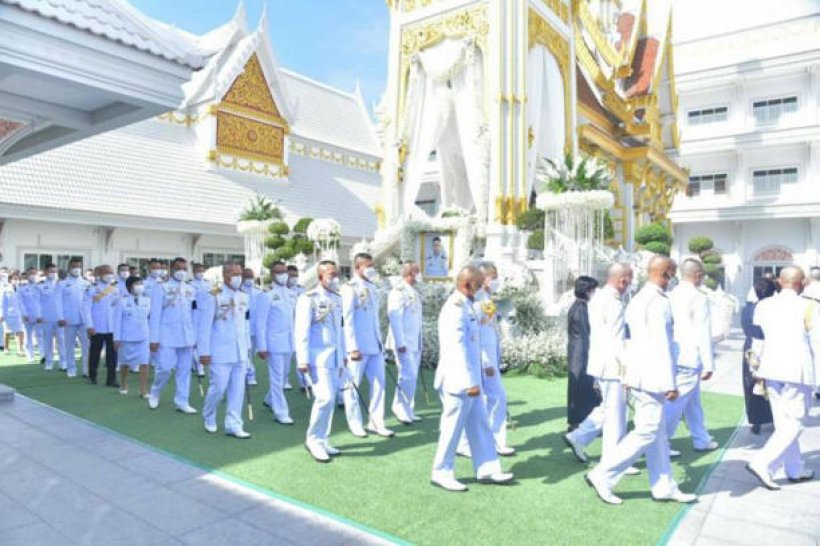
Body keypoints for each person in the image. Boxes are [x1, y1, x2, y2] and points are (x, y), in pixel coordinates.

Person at [586, 256, 697, 505]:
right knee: (647, 432)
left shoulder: (637, 299)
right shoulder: (656, 302)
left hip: (641, 374)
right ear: (665, 273)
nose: (673, 279)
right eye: (672, 274)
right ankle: (603, 474)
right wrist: (670, 383)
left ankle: (663, 485)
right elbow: (660, 345)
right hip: (652, 377)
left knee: (656, 435)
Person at [430, 265, 513, 492]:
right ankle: (441, 471)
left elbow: (475, 343)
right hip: (459, 381)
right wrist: (469, 382)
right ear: (467, 284)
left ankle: (487, 468)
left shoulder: (467, 305)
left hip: (471, 380)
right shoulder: (455, 308)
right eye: (477, 285)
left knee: (480, 425)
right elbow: (456, 348)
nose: (480, 289)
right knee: (452, 428)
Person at [746, 266, 817, 489]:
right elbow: (817, 344)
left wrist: (755, 368)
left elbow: (758, 339)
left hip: (770, 368)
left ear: (780, 281)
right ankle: (762, 462)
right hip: (797, 371)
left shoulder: (764, 305)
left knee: (784, 423)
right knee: (794, 423)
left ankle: (795, 468)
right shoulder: (810, 306)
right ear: (802, 282)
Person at [563, 263, 638, 473]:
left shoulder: (598, 298)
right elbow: (616, 340)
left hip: (601, 362)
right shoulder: (613, 302)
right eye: (629, 281)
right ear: (622, 280)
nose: (629, 285)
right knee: (616, 415)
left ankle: (578, 437)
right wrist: (625, 370)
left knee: (608, 408)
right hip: (613, 364)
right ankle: (614, 460)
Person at [666, 259, 719, 455]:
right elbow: (703, 331)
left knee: (692, 403)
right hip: (690, 356)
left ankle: (701, 438)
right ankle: (658, 441)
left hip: (675, 353)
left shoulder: (671, 294)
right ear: (698, 276)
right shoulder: (698, 297)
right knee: (675, 403)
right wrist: (708, 363)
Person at [295, 260, 346, 462]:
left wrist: (343, 355)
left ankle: (323, 438)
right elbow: (301, 330)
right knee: (324, 398)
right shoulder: (308, 298)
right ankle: (313, 440)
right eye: (331, 274)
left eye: (336, 274)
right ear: (320, 276)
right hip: (317, 357)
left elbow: (339, 330)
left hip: (334, 357)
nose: (335, 278)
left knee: (331, 399)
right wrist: (302, 359)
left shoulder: (337, 298)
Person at [341, 253, 393, 438]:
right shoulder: (350, 288)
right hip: (358, 348)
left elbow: (374, 319)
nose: (372, 269)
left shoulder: (373, 287)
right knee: (352, 385)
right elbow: (347, 320)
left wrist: (381, 343)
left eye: (372, 265)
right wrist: (352, 346)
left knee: (380, 384)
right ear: (357, 268)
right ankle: (355, 423)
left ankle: (376, 422)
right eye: (368, 265)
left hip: (375, 345)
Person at [198, 263, 252, 439]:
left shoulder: (244, 295)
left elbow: (244, 324)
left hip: (240, 350)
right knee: (218, 387)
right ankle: (209, 414)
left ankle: (234, 424)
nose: (238, 277)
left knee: (237, 390)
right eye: (235, 274)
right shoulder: (213, 295)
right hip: (219, 350)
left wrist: (248, 348)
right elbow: (204, 326)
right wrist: (203, 351)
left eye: (240, 274)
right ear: (226, 276)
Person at [473, 262, 514, 455]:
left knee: (489, 399)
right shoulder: (476, 300)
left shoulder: (486, 297)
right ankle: (491, 441)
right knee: (495, 398)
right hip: (483, 360)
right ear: (485, 278)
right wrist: (486, 361)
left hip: (490, 356)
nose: (497, 281)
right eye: (494, 277)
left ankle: (491, 440)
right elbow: (476, 333)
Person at [147, 257, 197, 413]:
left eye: (184, 268)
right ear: (171, 269)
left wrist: (195, 337)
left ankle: (182, 400)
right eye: (178, 268)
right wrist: (153, 339)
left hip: (186, 335)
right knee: (165, 368)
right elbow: (155, 314)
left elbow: (194, 315)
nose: (182, 271)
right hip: (166, 335)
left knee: (185, 370)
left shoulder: (190, 289)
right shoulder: (161, 287)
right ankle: (155, 391)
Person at [256, 261, 297, 425]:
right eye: (279, 272)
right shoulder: (267, 295)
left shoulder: (292, 294)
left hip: (289, 341)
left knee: (284, 374)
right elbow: (260, 323)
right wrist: (262, 346)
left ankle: (269, 398)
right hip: (274, 342)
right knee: (277, 377)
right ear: (272, 275)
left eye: (285, 271)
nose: (283, 275)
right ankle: (280, 412)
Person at [387, 261, 424, 425]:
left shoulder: (412, 291)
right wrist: (400, 342)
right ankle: (400, 408)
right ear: (410, 273)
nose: (419, 275)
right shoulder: (398, 291)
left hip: (414, 341)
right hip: (403, 343)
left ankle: (408, 408)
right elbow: (395, 318)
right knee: (407, 375)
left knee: (412, 376)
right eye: (417, 272)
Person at [740, 278, 775, 434]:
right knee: (773, 386)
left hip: (751, 351)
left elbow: (746, 328)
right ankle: (772, 417)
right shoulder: (775, 309)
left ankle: (755, 420)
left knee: (751, 384)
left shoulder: (748, 309)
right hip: (770, 349)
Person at [566, 276, 600, 431]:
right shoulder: (580, 308)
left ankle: (584, 421)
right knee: (579, 386)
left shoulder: (580, 306)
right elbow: (585, 333)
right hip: (580, 352)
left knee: (582, 387)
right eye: (593, 289)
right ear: (587, 291)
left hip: (578, 350)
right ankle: (576, 423)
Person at [113, 276, 151, 396]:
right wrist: (116, 338)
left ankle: (143, 390)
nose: (139, 286)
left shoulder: (148, 301)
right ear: (129, 287)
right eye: (136, 283)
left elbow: (150, 319)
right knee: (125, 363)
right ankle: (124, 384)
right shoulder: (122, 302)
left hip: (143, 336)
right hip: (126, 337)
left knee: (144, 363)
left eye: (141, 283)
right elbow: (117, 321)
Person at [82, 265, 119, 386]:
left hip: (112, 327)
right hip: (97, 326)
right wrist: (89, 325)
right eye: (107, 272)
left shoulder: (115, 289)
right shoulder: (92, 289)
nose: (110, 275)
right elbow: (86, 308)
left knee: (112, 355)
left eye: (111, 272)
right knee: (94, 353)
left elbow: (118, 308)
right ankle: (92, 376)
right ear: (99, 274)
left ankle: (111, 378)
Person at [56, 258, 90, 377]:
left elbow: (90, 303)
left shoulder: (86, 283)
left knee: (87, 345)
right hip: (68, 318)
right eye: (74, 266)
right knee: (69, 345)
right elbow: (57, 301)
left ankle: (87, 369)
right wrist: (60, 317)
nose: (76, 269)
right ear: (69, 267)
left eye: (79, 266)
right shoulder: (62, 283)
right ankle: (71, 369)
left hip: (84, 319)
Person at [37, 263, 61, 370]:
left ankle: (64, 363)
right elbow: (37, 302)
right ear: (45, 272)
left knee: (61, 340)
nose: (53, 273)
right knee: (48, 341)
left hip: (60, 317)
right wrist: (39, 315)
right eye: (51, 271)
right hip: (46, 317)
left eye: (55, 271)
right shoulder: (40, 285)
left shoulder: (61, 284)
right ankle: (49, 363)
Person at [241, 268, 261, 386]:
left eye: (251, 276)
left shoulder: (258, 292)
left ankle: (247, 370)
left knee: (251, 353)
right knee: (247, 352)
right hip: (244, 328)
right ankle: (250, 374)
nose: (249, 279)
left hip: (255, 328)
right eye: (247, 276)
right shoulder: (239, 291)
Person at [18, 268, 41, 362]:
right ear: (27, 275)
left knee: (40, 336)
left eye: (34, 274)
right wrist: (24, 314)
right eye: (31, 274)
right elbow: (20, 302)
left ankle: (43, 355)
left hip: (40, 316)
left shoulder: (41, 287)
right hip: (27, 315)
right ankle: (30, 356)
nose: (33, 276)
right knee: (28, 336)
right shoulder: (22, 288)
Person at [1, 271, 25, 357]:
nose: (16, 280)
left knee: (20, 331)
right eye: (15, 278)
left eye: (18, 278)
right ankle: (6, 348)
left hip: (18, 313)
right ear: (10, 279)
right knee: (7, 332)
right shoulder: (5, 289)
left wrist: (24, 313)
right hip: (8, 313)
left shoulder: (21, 288)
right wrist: (2, 314)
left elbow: (22, 302)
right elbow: (3, 303)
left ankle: (20, 349)